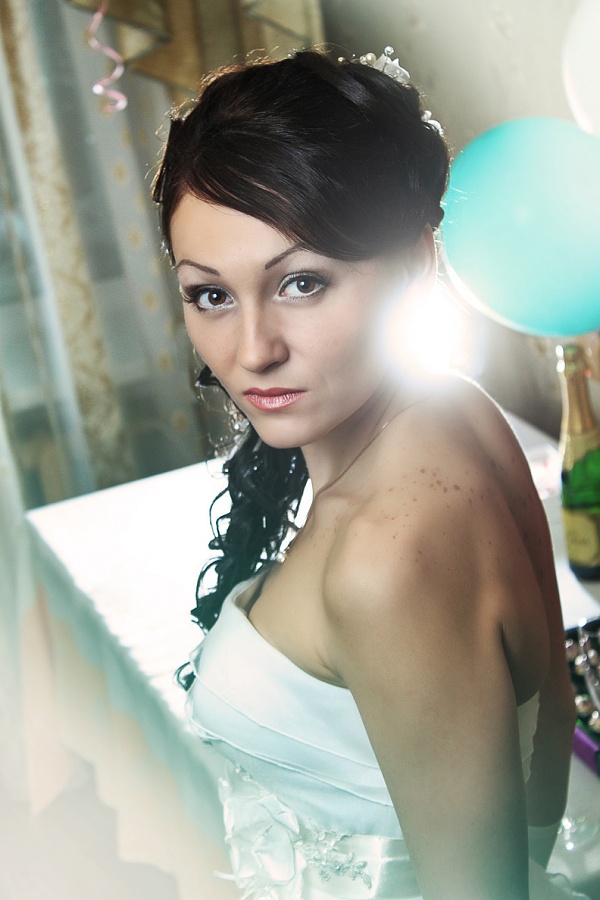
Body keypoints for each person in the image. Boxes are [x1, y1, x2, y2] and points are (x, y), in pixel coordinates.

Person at [152, 48, 583, 900]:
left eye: (302, 283)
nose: (253, 351)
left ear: (417, 261)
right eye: (211, 295)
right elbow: (543, 747)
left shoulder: (384, 561)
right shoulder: (455, 409)